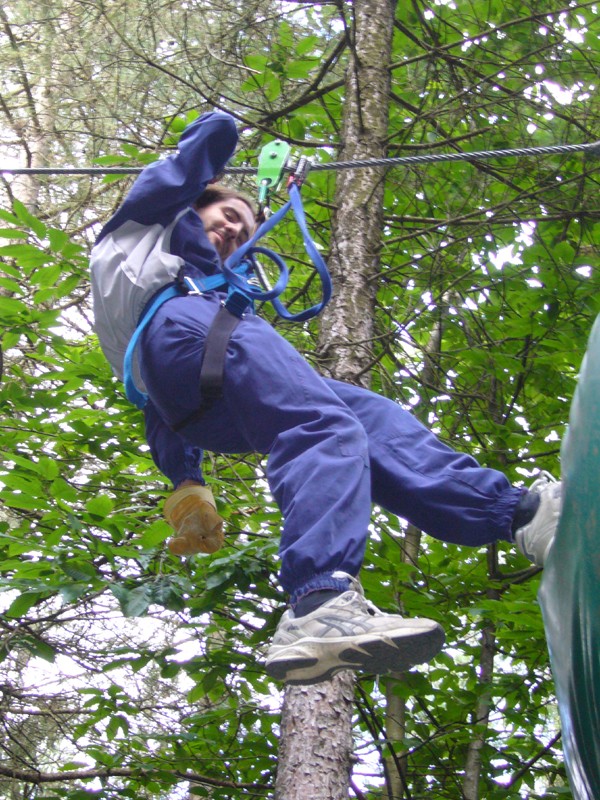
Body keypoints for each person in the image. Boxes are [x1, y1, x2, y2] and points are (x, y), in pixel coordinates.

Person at [90, 110, 562, 686]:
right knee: (322, 427)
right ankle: (319, 601)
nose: (237, 230)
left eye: (246, 226)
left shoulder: (194, 293)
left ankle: (518, 515)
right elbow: (207, 138)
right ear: (193, 203)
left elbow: (158, 407)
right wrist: (229, 128)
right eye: (228, 215)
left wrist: (187, 487)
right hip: (187, 340)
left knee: (362, 419)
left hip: (195, 400)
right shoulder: (144, 229)